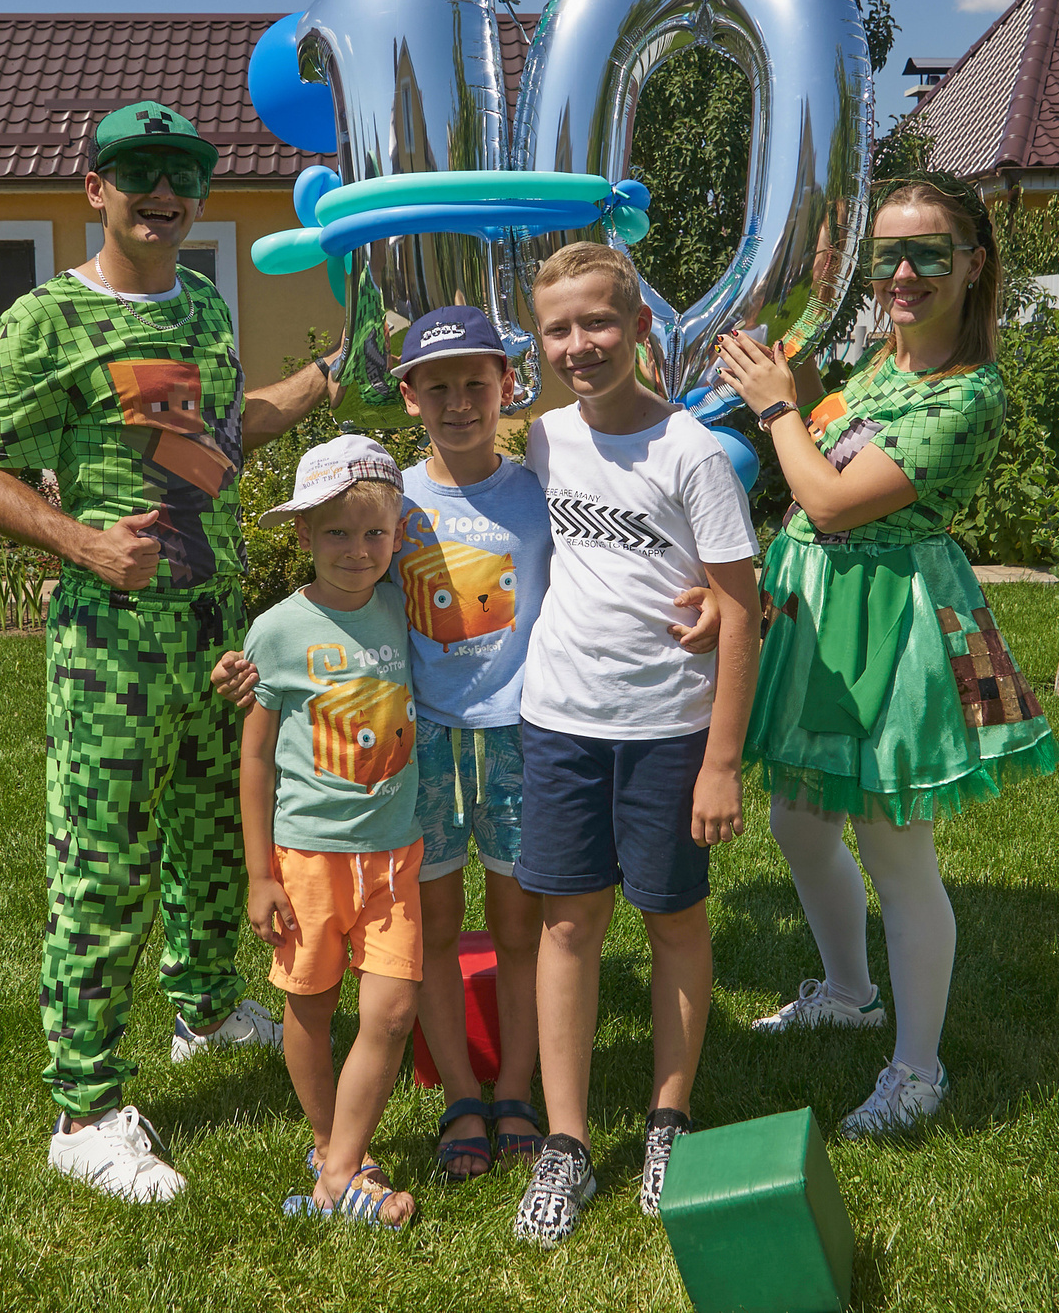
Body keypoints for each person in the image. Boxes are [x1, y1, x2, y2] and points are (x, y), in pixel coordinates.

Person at [0, 100, 341, 1205]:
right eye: (139, 174)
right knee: (104, 867)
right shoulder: (47, 319)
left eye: (181, 175)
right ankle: (82, 1108)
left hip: (216, 628)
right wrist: (77, 539)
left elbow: (216, 440)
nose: (163, 194)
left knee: (218, 834)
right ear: (96, 188)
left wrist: (320, 383)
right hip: (112, 642)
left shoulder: (208, 309)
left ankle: (207, 1005)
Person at [713, 171, 1059, 1138]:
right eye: (886, 256)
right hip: (821, 607)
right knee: (797, 821)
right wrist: (802, 383)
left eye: (926, 254)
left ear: (974, 265)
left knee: (897, 855)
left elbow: (825, 498)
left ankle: (917, 1070)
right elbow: (832, 435)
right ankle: (848, 989)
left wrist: (776, 410)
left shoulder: (969, 395)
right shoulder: (885, 366)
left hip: (895, 624)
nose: (901, 273)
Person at [386, 306, 726, 1184]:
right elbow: (339, 582)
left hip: (522, 732)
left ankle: (517, 1090)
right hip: (421, 737)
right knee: (430, 925)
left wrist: (721, 600)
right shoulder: (389, 499)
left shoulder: (540, 469)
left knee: (520, 926)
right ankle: (460, 1092)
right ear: (409, 396)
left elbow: (635, 541)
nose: (459, 403)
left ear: (508, 386)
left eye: (477, 383)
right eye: (439, 387)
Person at [507, 243, 763, 1248]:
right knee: (567, 928)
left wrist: (719, 760)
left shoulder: (689, 452)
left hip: (667, 732)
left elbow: (740, 612)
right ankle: (566, 1143)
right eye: (558, 328)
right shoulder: (543, 440)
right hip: (560, 720)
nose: (578, 344)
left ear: (641, 328)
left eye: (597, 323)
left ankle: (667, 1119)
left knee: (673, 922)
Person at [240, 435, 426, 1228]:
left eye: (376, 534)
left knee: (390, 1012)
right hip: (308, 860)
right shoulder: (276, 633)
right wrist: (260, 874)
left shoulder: (402, 607)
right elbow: (253, 758)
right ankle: (334, 1152)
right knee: (310, 1009)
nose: (359, 551)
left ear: (397, 535)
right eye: (338, 534)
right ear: (303, 537)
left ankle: (338, 1172)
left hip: (395, 858)